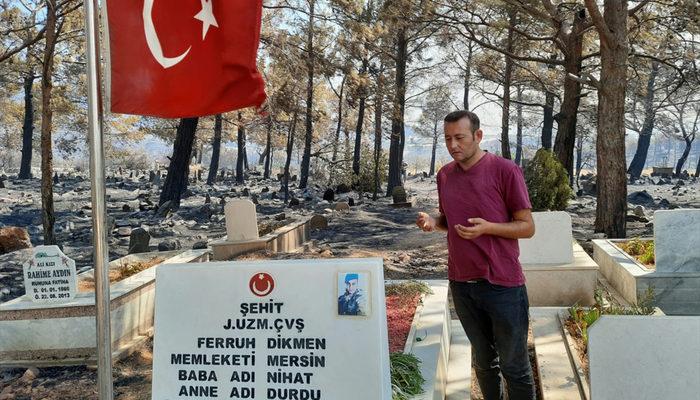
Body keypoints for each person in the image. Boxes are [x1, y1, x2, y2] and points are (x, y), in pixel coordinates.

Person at [416, 110, 536, 400]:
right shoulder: (444, 175)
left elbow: (527, 227)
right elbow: (449, 218)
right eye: (447, 139)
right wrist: (434, 221)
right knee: (483, 363)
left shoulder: (506, 171)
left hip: (503, 283)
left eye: (460, 137)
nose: (453, 145)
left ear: (478, 136)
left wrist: (489, 228)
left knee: (514, 366)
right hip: (461, 282)